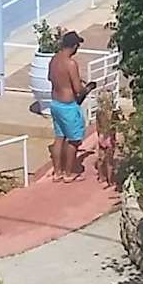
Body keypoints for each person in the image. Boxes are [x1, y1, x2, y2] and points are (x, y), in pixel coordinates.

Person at [45, 31, 94, 180]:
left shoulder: (54, 59)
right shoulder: (71, 63)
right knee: (74, 140)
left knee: (59, 138)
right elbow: (78, 90)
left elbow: (50, 77)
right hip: (68, 106)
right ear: (74, 46)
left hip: (55, 103)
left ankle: (57, 172)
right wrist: (88, 88)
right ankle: (69, 173)